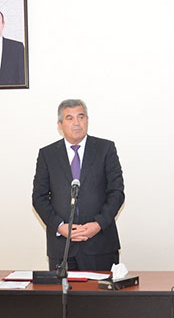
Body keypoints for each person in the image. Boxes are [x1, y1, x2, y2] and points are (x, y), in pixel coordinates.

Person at [32, 99, 125, 271]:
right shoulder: (47, 154)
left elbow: (116, 192)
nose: (76, 123)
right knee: (62, 290)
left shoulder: (105, 149)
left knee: (102, 290)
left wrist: (98, 225)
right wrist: (60, 227)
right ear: (60, 125)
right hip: (62, 247)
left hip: (100, 245)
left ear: (87, 120)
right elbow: (39, 198)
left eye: (81, 117)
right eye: (69, 118)